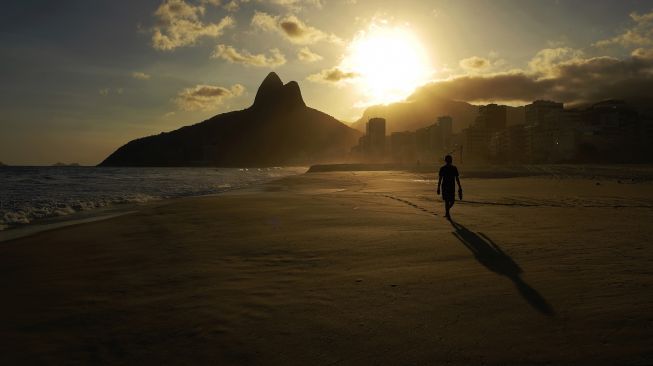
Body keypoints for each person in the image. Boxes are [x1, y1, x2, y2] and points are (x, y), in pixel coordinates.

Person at [436, 155, 462, 220]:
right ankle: (447, 213)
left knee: (451, 201)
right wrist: (438, 187)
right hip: (447, 186)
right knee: (448, 201)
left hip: (449, 186)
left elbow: (456, 178)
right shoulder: (443, 168)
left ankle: (447, 211)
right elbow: (440, 179)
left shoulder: (453, 168)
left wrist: (459, 187)